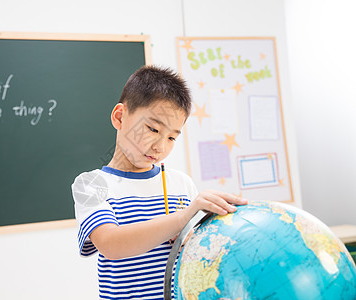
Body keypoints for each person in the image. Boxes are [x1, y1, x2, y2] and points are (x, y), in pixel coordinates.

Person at [71, 65, 247, 299]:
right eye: (153, 129)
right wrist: (181, 219)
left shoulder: (181, 185)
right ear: (120, 117)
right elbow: (111, 244)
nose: (160, 146)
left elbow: (195, 255)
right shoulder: (91, 184)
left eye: (172, 137)